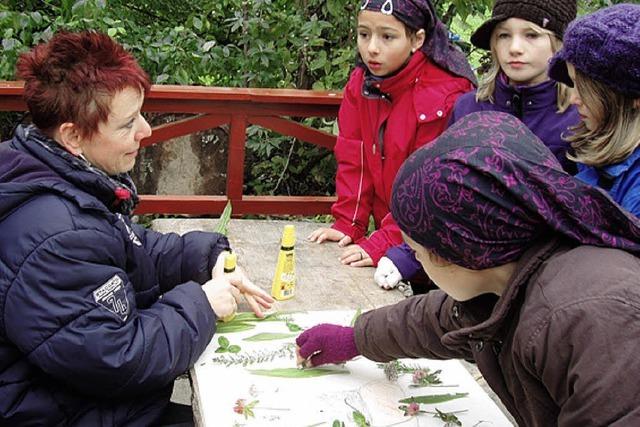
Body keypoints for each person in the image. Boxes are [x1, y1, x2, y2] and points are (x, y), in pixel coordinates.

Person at [297, 111, 640, 426]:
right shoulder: (506, 277)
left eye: (415, 252)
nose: (415, 260)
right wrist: (355, 337)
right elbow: (439, 319)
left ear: (450, 252)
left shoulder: (593, 321)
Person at [0, 31, 273, 426]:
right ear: (73, 135)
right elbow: (118, 359)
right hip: (64, 412)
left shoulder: (52, 174)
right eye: (128, 124)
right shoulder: (54, 237)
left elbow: (129, 248)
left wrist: (209, 257)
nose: (145, 131)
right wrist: (204, 304)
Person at [375, 0, 581, 292]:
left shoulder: (578, 118)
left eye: (531, 35)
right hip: (461, 279)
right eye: (504, 35)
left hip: (544, 280)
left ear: (559, 43)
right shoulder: (469, 107)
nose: (515, 48)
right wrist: (406, 256)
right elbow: (438, 195)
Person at [308, 0, 476, 268]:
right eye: (364, 34)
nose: (372, 48)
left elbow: (429, 185)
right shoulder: (361, 84)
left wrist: (385, 241)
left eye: (388, 37)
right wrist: (349, 222)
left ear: (417, 39)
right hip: (391, 240)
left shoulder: (445, 95)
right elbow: (354, 157)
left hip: (439, 252)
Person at [548, 3, 640, 216]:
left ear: (634, 97)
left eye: (585, 88)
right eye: (572, 83)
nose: (573, 99)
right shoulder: (597, 149)